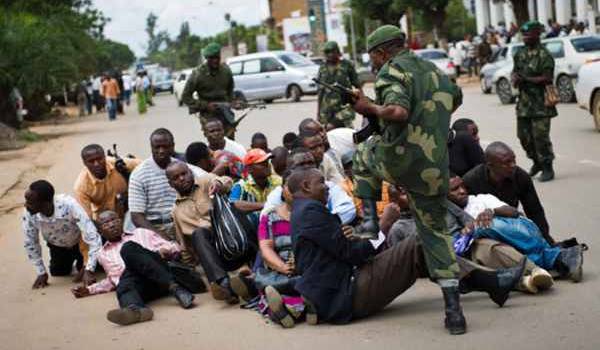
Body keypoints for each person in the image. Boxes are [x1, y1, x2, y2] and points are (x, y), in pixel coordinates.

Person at [285, 167, 523, 327]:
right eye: (320, 182)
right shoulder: (310, 212)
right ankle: (492, 283)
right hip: (347, 294)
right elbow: (350, 254)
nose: (327, 186)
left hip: (347, 285)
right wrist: (384, 226)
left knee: (423, 249)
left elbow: (339, 248)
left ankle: (492, 283)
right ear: (306, 186)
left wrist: (354, 235)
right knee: (420, 241)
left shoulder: (304, 212)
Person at [350, 25, 466, 334]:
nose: (374, 63)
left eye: (374, 57)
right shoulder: (436, 70)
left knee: (362, 153)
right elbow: (455, 99)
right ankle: (454, 312)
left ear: (382, 52)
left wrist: (368, 107)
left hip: (401, 162)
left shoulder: (390, 70)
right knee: (435, 233)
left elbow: (399, 111)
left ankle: (370, 221)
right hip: (435, 169)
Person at [448, 176, 583, 282]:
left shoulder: (481, 199)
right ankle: (558, 259)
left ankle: (553, 258)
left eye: (462, 186)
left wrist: (492, 211)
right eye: (455, 189)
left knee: (483, 226)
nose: (462, 191)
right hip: (512, 247)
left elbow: (513, 212)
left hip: (524, 230)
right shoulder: (448, 217)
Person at [71, 210, 196, 326]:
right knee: (122, 283)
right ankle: (136, 310)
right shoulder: (103, 254)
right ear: (100, 231)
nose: (111, 225)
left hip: (161, 273)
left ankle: (175, 287)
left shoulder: (141, 233)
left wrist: (162, 251)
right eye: (105, 223)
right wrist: (90, 290)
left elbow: (174, 246)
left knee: (128, 248)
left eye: (113, 220)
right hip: (143, 286)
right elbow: (112, 279)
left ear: (120, 221)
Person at [166, 162, 255, 304]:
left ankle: (242, 279)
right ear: (171, 184)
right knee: (199, 234)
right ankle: (224, 284)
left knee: (234, 209)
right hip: (218, 255)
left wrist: (219, 185)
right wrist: (190, 273)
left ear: (190, 172)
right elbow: (185, 246)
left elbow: (227, 181)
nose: (182, 179)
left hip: (237, 239)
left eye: (184, 174)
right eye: (176, 178)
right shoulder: (176, 212)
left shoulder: (205, 181)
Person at [463, 142, 554, 245]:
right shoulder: (471, 180)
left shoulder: (521, 176)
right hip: (484, 231)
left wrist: (544, 238)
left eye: (514, 159)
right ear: (490, 165)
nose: (513, 165)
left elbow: (535, 211)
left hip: (511, 225)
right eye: (507, 162)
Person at [128, 128, 206, 241]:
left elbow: (208, 179)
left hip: (185, 222)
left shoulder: (183, 168)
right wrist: (160, 237)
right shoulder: (139, 174)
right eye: (157, 147)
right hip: (155, 228)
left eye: (165, 146)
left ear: (173, 146)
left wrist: (220, 183)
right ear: (151, 147)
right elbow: (137, 216)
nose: (161, 151)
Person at [23, 180, 101, 289]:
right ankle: (77, 264)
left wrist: (89, 269)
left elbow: (92, 234)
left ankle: (83, 263)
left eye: (30, 202)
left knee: (93, 266)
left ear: (45, 203)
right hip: (57, 246)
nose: (26, 205)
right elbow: (30, 242)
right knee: (58, 272)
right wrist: (41, 272)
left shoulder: (69, 205)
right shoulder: (29, 213)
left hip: (80, 243)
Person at [512, 21, 557, 182]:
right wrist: (515, 79)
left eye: (528, 34)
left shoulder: (544, 54)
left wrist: (527, 79)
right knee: (523, 137)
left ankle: (547, 166)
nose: (525, 37)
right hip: (524, 104)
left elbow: (547, 78)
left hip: (541, 105)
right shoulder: (519, 53)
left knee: (541, 138)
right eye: (523, 34)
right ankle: (536, 162)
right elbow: (515, 72)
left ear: (537, 35)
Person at [261, 148, 356, 225]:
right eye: (301, 164)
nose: (307, 167)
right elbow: (265, 216)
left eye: (311, 163)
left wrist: (322, 225)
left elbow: (348, 209)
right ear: (289, 169)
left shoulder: (328, 186)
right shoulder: (281, 191)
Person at [182, 42, 235, 138]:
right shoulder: (198, 74)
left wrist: (234, 102)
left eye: (217, 58)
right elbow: (185, 97)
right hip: (208, 115)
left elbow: (230, 91)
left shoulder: (226, 71)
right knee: (215, 140)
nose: (215, 61)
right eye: (212, 58)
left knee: (230, 141)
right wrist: (205, 106)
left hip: (225, 113)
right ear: (207, 59)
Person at [74, 144, 140, 221]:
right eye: (91, 161)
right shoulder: (81, 187)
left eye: (99, 159)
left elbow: (144, 166)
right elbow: (86, 219)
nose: (96, 164)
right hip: (105, 221)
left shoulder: (118, 163)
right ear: (85, 163)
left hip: (130, 210)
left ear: (105, 157)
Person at [230, 149, 282, 226]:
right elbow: (234, 204)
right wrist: (267, 205)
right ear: (249, 169)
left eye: (267, 162)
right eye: (262, 163)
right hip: (251, 232)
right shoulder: (242, 185)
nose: (267, 165)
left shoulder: (278, 181)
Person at [317, 41, 362, 129]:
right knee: (327, 135)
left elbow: (357, 85)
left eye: (331, 51)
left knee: (348, 133)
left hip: (344, 107)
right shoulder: (322, 68)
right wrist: (318, 113)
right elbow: (320, 92)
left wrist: (362, 103)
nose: (329, 54)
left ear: (337, 51)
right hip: (327, 110)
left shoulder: (347, 65)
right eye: (327, 52)